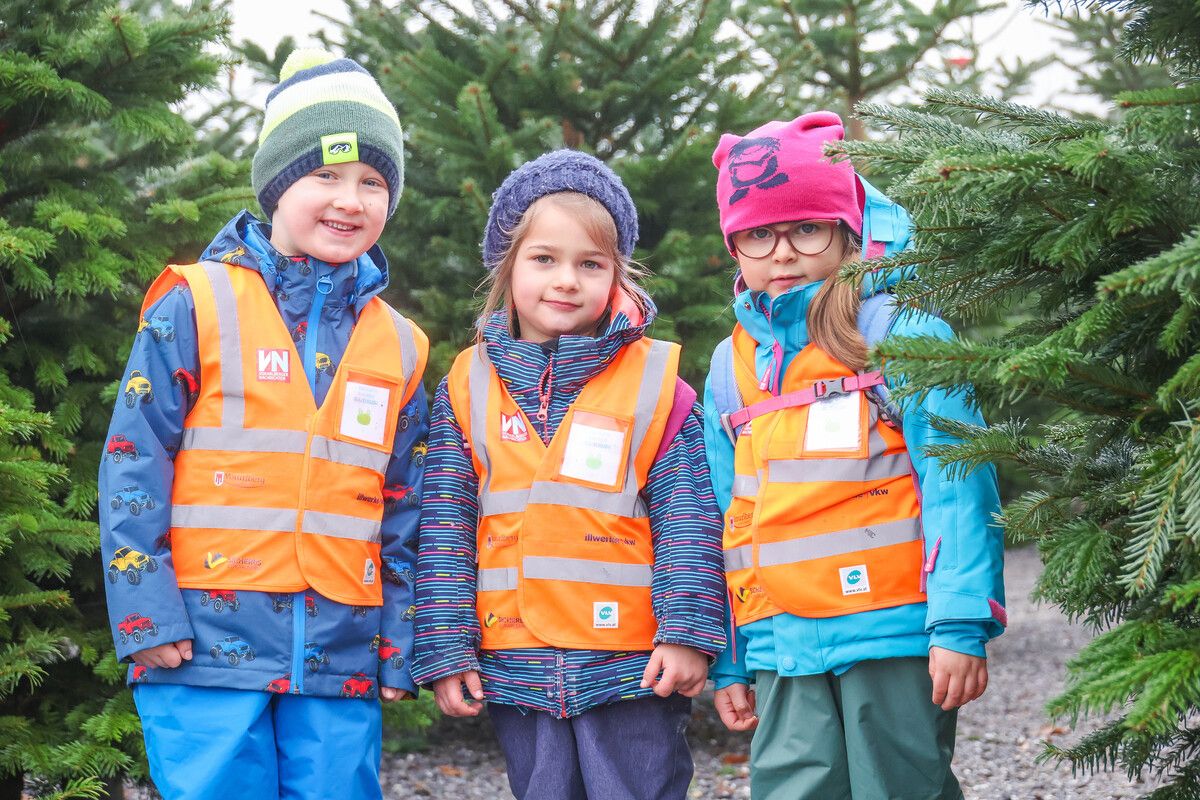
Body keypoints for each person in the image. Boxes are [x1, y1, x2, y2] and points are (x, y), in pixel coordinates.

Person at [98, 49, 429, 800]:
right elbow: (133, 460)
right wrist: (146, 613)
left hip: (339, 658)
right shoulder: (195, 304)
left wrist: (401, 639)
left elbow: (406, 504)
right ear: (278, 184)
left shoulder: (401, 344)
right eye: (327, 175)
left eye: (373, 182)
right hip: (203, 651)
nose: (351, 199)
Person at [703, 111, 1006, 799]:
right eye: (757, 234)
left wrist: (959, 623)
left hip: (892, 633)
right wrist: (730, 657)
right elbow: (725, 518)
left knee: (901, 786)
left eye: (805, 228)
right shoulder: (729, 367)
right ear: (734, 247)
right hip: (781, 643)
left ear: (846, 231)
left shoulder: (900, 334)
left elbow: (959, 482)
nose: (782, 253)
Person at [410, 150, 727, 800]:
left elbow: (689, 521)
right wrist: (446, 650)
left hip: (633, 667)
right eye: (544, 259)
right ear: (508, 265)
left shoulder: (655, 385)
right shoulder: (467, 387)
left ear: (617, 274)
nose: (566, 280)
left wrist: (688, 634)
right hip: (516, 664)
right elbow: (445, 528)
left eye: (591, 263)